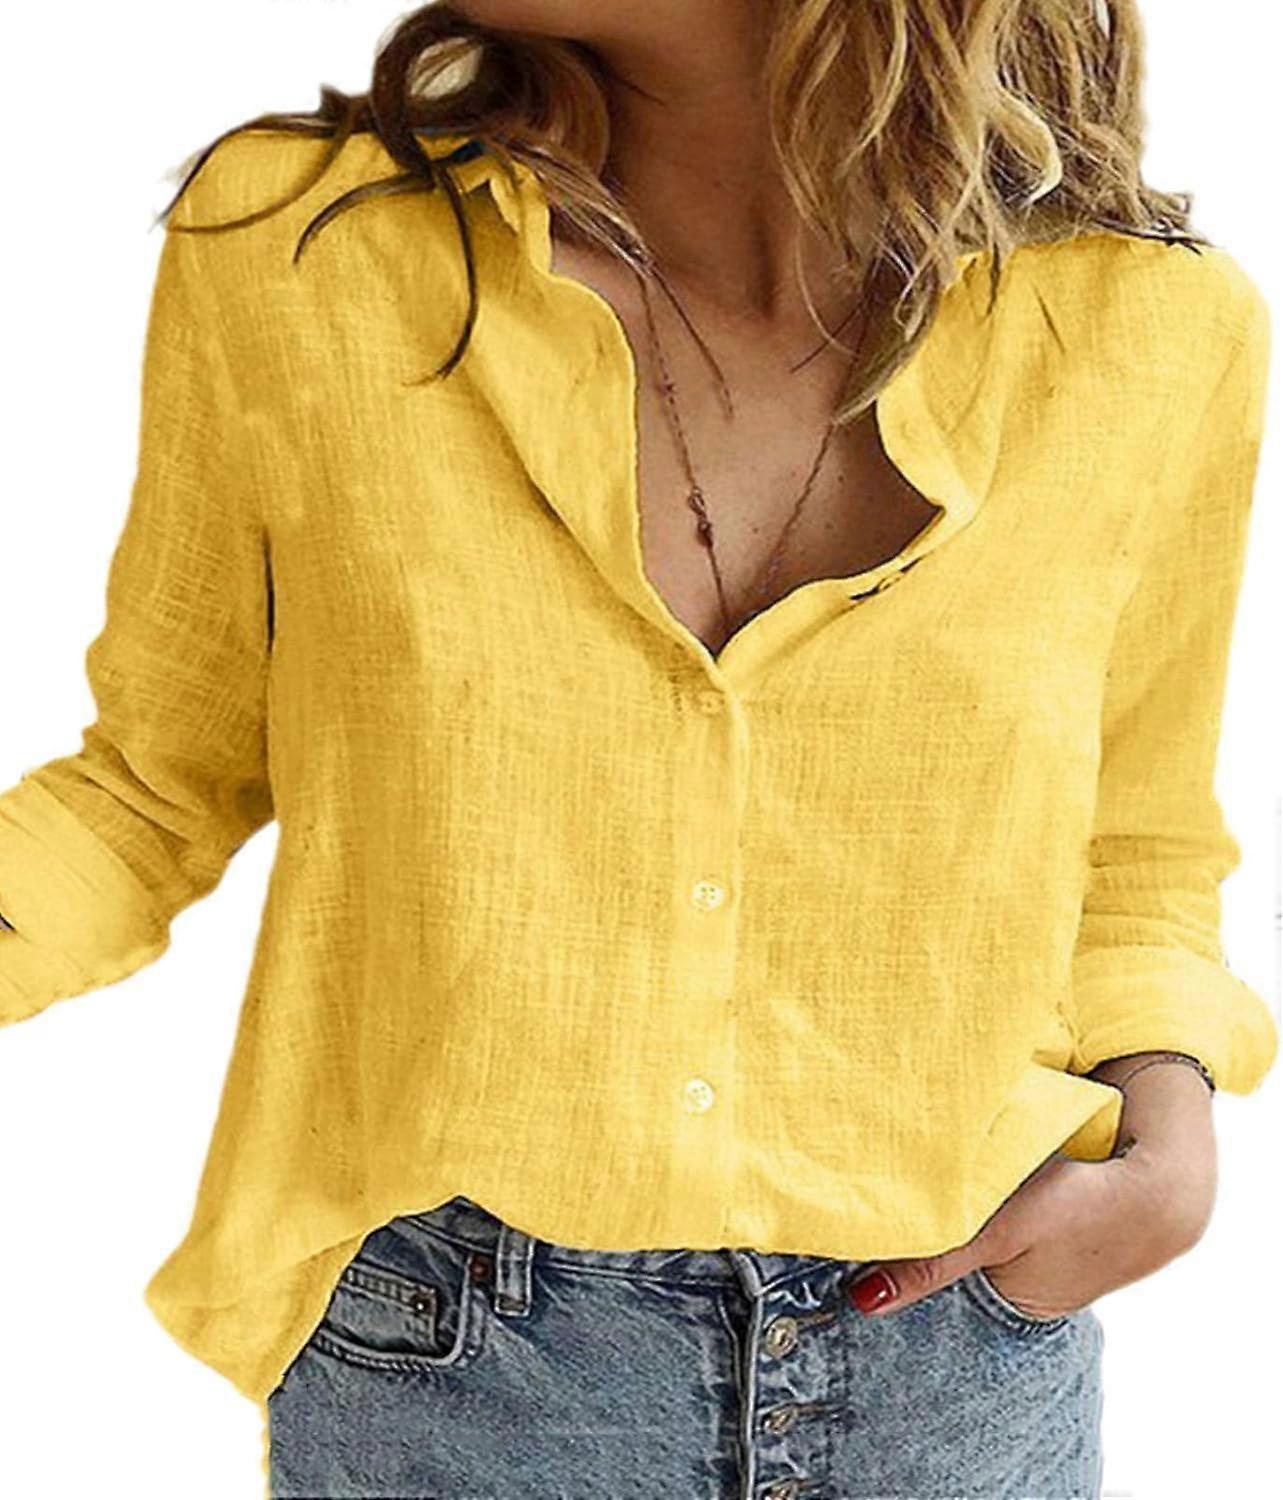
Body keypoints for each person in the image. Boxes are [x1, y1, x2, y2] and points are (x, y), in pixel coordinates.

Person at [1, 3, 1275, 1497]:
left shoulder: (1153, 329)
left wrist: (1170, 1140)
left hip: (965, 1363)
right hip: (461, 1368)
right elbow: (150, 790)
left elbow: (1134, 846)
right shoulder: (307, 248)